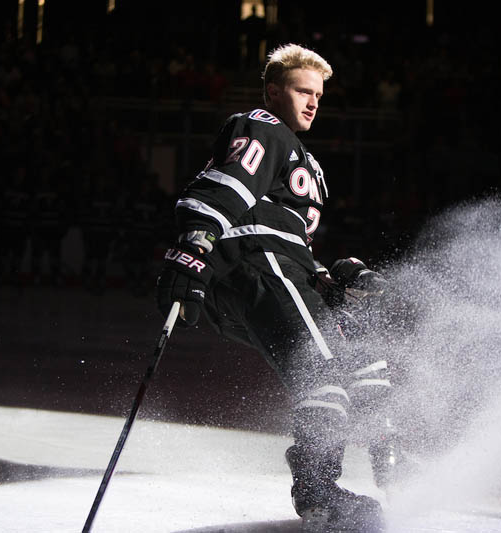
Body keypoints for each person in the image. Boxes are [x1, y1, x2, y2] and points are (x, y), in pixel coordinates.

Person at [157, 44, 394, 531]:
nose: (313, 102)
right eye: (302, 90)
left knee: (364, 358)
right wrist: (196, 244)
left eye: (319, 95)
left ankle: (384, 462)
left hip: (276, 267)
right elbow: (226, 186)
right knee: (322, 367)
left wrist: (327, 277)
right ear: (272, 91)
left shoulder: (306, 159)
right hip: (255, 262)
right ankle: (317, 492)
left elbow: (285, 231)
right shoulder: (265, 127)